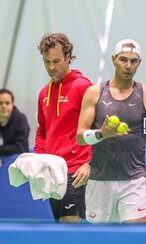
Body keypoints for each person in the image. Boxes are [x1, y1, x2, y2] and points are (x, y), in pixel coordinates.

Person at [76, 39, 146, 224]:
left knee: (136, 239)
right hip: (99, 182)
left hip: (134, 182)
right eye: (123, 59)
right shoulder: (94, 93)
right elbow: (80, 137)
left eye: (133, 61)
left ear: (139, 63)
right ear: (113, 59)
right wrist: (101, 134)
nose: (128, 66)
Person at [35, 33, 92, 223]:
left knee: (70, 227)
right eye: (46, 61)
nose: (51, 67)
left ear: (69, 57)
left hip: (76, 171)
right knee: (60, 226)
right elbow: (42, 131)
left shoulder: (84, 87)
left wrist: (90, 163)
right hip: (52, 172)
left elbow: (98, 130)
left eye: (57, 61)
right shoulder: (44, 93)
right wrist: (38, 160)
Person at [0, 88, 30, 156]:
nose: (4, 106)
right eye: (0, 103)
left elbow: (20, 148)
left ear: (12, 104)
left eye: (7, 103)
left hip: (17, 161)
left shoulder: (21, 119)